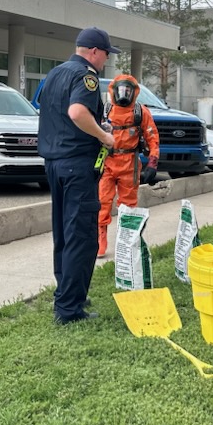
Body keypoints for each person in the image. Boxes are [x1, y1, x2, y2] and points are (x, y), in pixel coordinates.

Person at [37, 26, 118, 325]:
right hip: (77, 167)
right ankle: (70, 309)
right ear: (95, 52)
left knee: (63, 233)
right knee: (81, 236)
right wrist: (105, 137)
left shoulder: (55, 74)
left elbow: (56, 115)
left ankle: (67, 295)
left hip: (54, 163)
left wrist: (95, 128)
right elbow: (76, 112)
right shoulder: (87, 76)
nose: (105, 61)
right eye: (106, 55)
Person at [98, 74, 161, 257]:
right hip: (107, 161)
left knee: (128, 205)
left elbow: (152, 138)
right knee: (102, 201)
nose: (123, 94)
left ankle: (126, 239)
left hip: (130, 163)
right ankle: (100, 239)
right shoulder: (105, 110)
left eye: (127, 90)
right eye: (121, 90)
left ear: (134, 92)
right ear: (113, 91)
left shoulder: (140, 112)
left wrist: (152, 164)